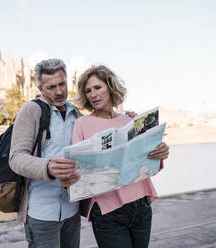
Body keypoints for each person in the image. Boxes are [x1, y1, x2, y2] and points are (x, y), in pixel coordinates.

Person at [72, 65, 169, 248]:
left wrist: (160, 153)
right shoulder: (82, 124)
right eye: (88, 91)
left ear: (110, 87)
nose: (93, 94)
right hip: (108, 212)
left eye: (97, 88)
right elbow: (77, 169)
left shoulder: (129, 120)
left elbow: (146, 162)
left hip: (141, 205)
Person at [9, 58, 81, 248]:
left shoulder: (76, 113)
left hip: (72, 210)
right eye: (51, 87)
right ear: (40, 88)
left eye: (62, 84)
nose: (58, 91)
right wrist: (47, 167)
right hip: (42, 213)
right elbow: (16, 158)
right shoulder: (31, 110)